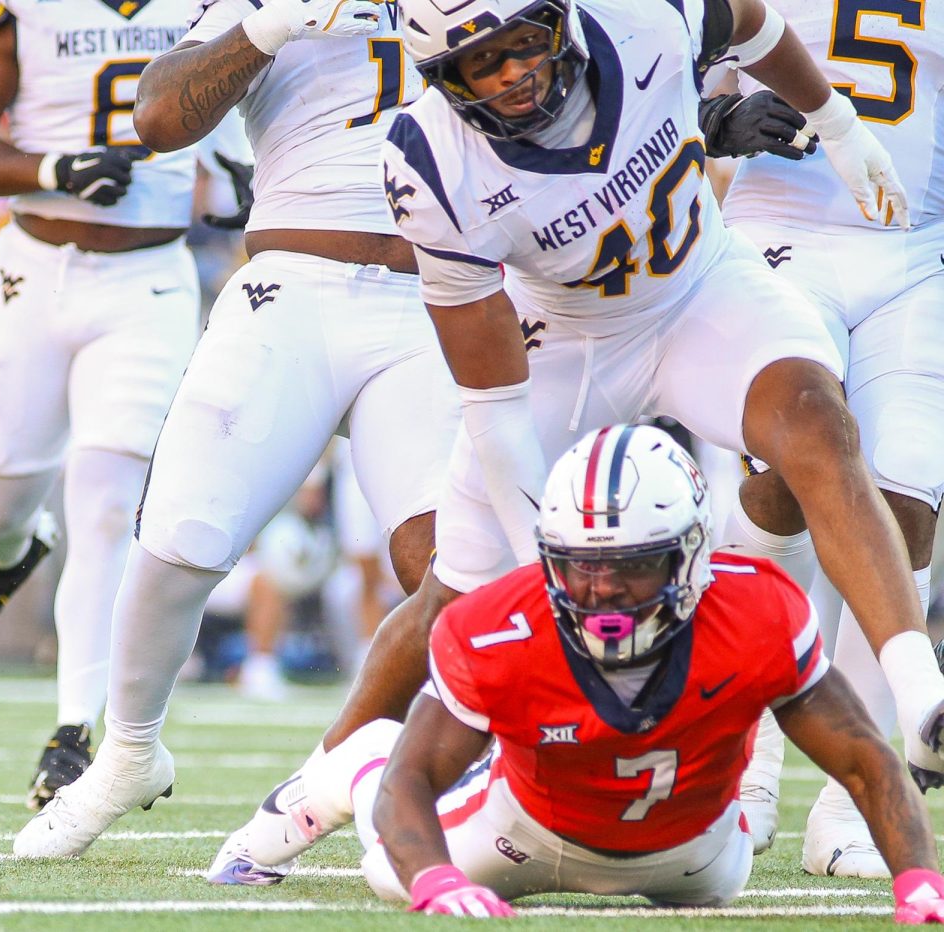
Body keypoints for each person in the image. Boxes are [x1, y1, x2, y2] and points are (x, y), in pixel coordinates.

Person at [205, 0, 944, 883]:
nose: (514, 73)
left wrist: (835, 121)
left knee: (820, 428)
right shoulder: (430, 159)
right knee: (456, 592)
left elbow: (749, 22)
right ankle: (316, 783)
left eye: (523, 45)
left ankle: (922, 698)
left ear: (556, 22)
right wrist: (539, 586)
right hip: (558, 344)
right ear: (446, 81)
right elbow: (494, 405)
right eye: (483, 64)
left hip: (702, 293)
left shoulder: (640, 16)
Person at [12, 0, 462, 857]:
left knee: (449, 566)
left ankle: (343, 776)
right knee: (181, 539)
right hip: (291, 288)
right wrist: (279, 19)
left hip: (440, 298)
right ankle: (128, 753)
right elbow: (158, 117)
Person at [322, 426, 944, 919]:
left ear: (691, 554)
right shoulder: (503, 621)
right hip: (519, 836)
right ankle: (357, 762)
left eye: (634, 564)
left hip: (698, 855)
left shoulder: (757, 612)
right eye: (580, 565)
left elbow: (866, 763)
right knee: (392, 868)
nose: (604, 591)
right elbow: (414, 779)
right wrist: (434, 879)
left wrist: (920, 881)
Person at [0, 0, 247, 809]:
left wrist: (240, 173)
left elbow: (246, 109)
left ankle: (73, 733)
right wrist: (54, 169)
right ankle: (7, 552)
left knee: (106, 504)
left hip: (148, 279)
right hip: (33, 272)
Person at [713, 0, 944, 878]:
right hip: (780, 234)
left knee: (907, 493)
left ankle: (855, 795)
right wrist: (715, 123)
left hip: (920, 251)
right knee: (784, 471)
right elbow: (642, 89)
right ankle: (752, 757)